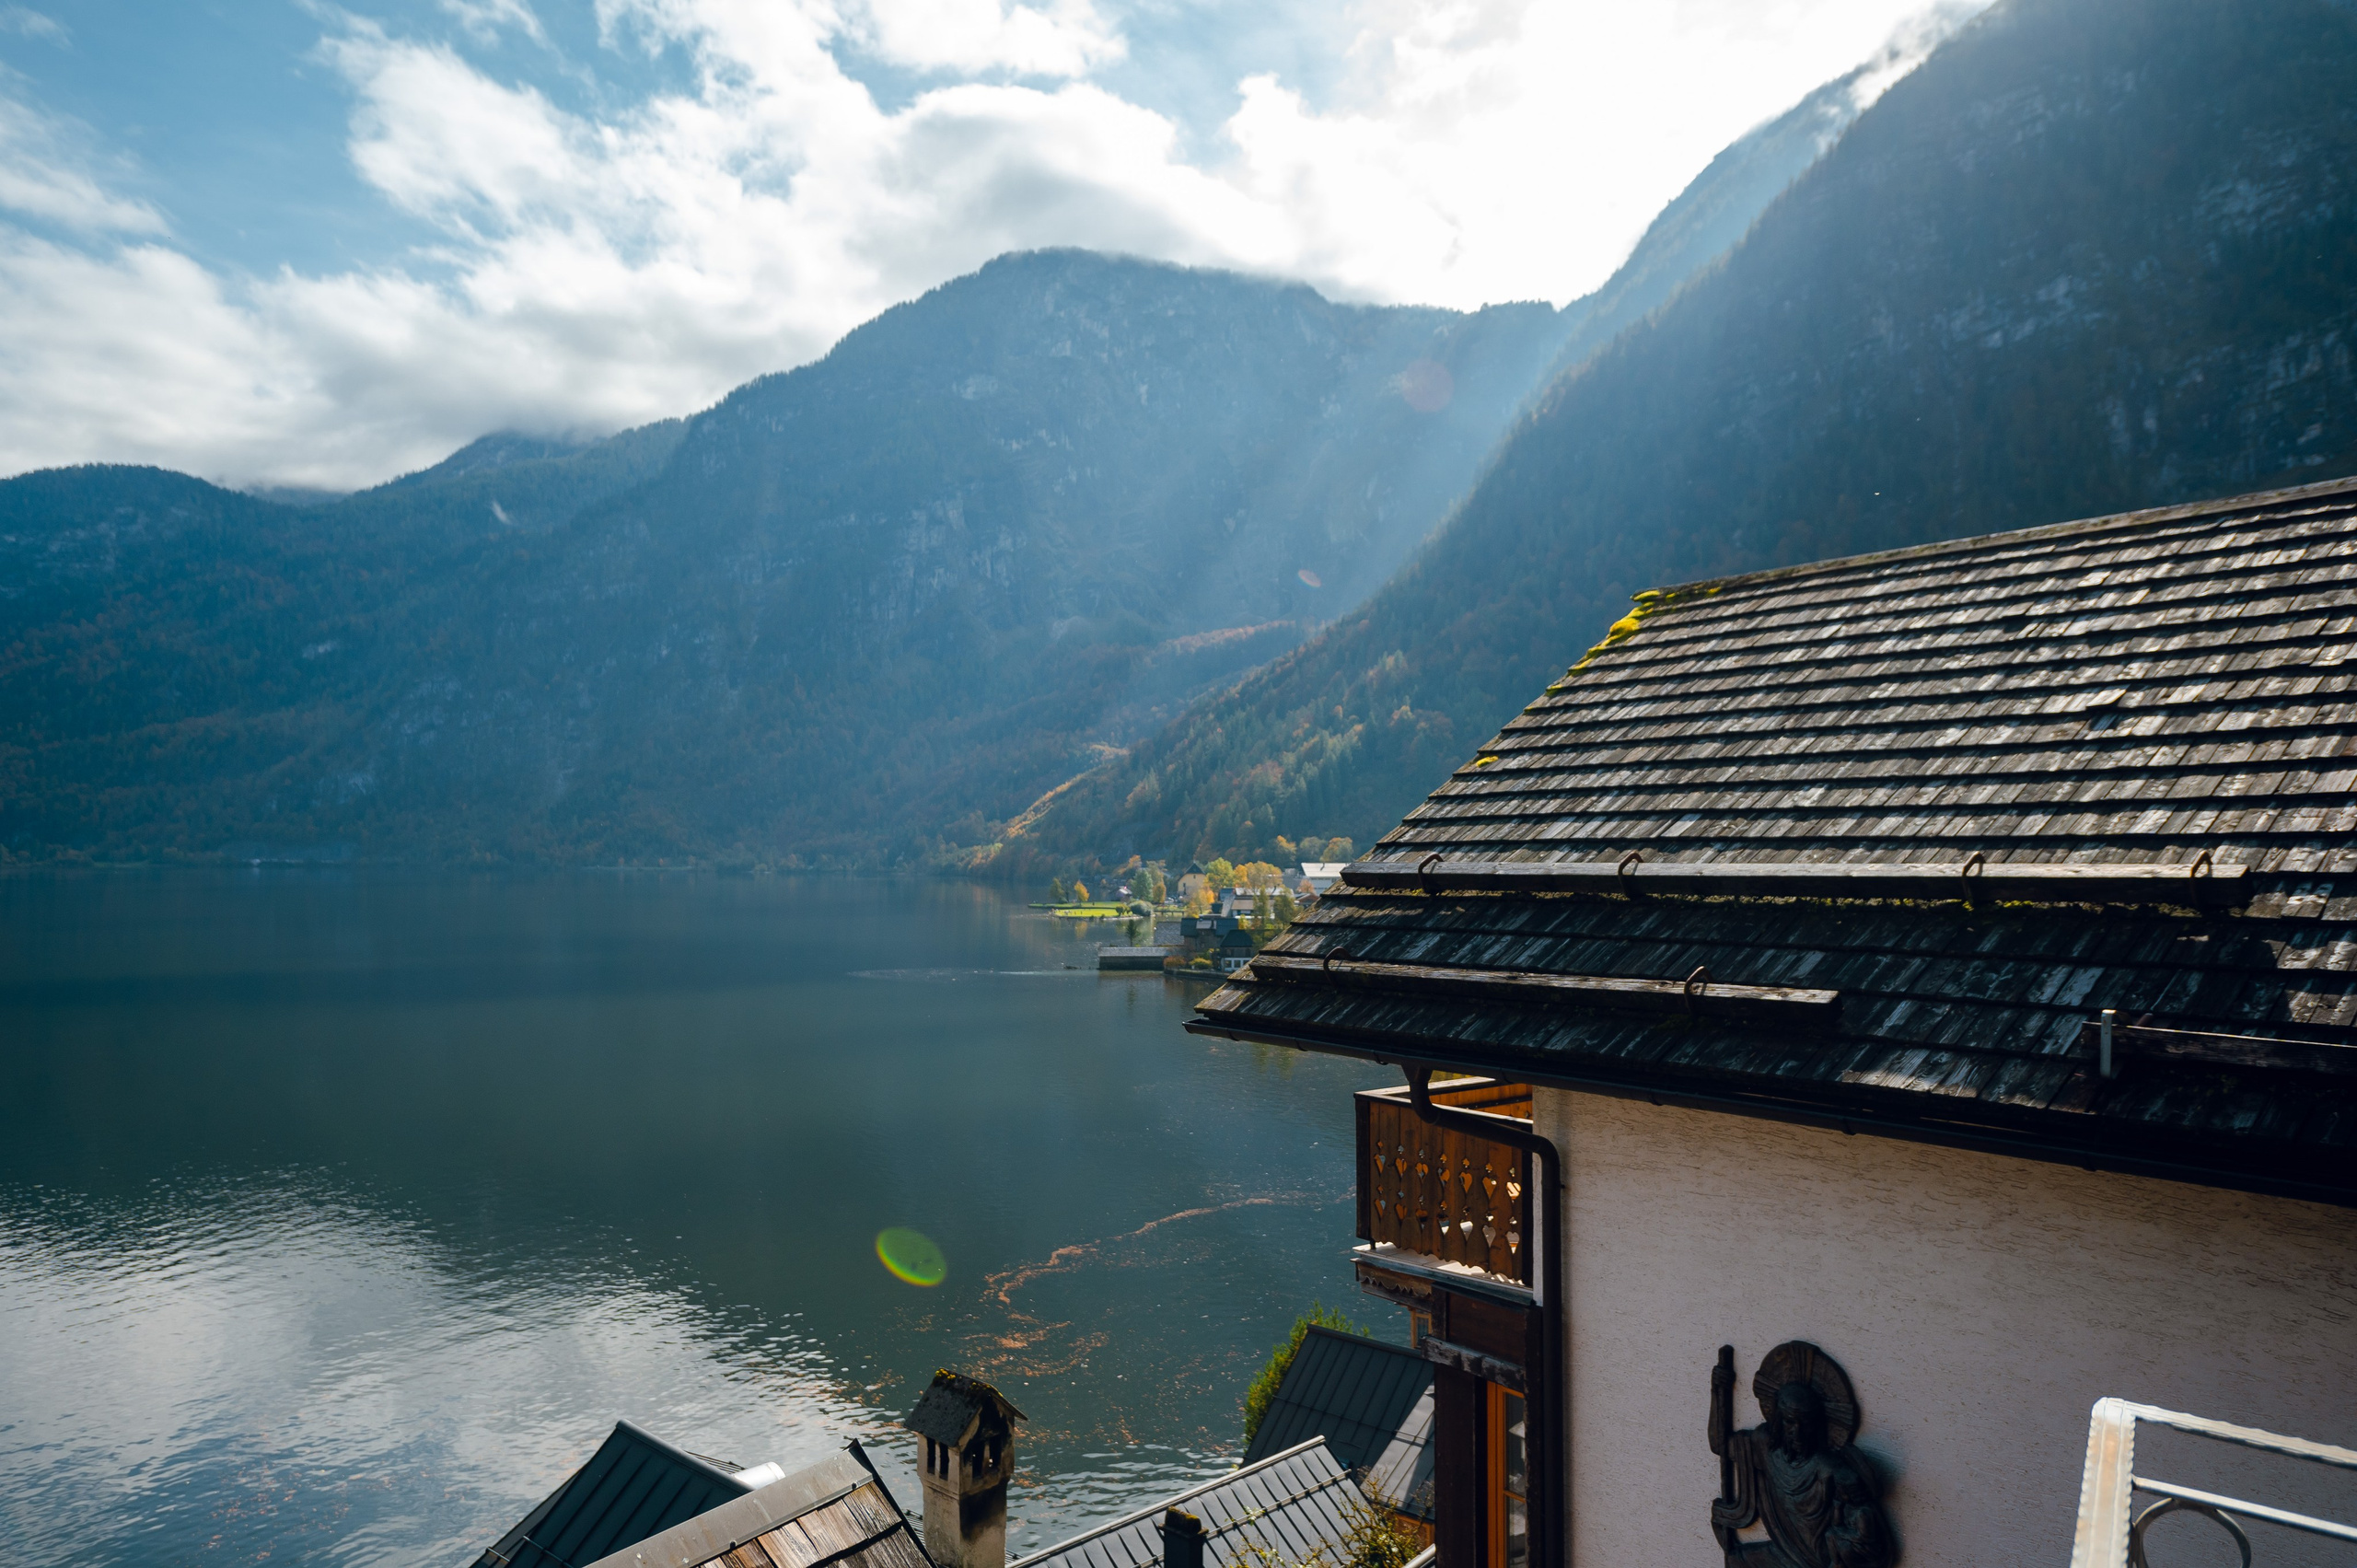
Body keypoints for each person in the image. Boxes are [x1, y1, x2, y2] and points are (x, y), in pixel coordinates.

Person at [1709, 1344, 1895, 1568]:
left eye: (1805, 1423)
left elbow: (1872, 1539)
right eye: (1789, 1421)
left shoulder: (1830, 1468)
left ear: (1816, 1424)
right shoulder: (1763, 1444)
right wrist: (1718, 1390)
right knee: (1735, 1561)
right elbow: (1720, 1445)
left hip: (1820, 1559)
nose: (1796, 1431)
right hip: (1783, 1551)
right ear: (1777, 1419)